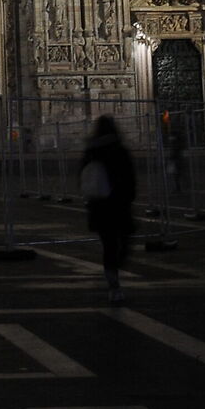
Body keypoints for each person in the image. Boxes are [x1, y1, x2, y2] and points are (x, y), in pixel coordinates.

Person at [78, 116, 138, 303]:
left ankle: (113, 281)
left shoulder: (90, 151)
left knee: (109, 245)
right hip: (119, 204)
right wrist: (129, 196)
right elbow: (130, 177)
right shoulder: (119, 150)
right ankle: (114, 273)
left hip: (99, 207)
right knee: (124, 241)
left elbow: (82, 176)